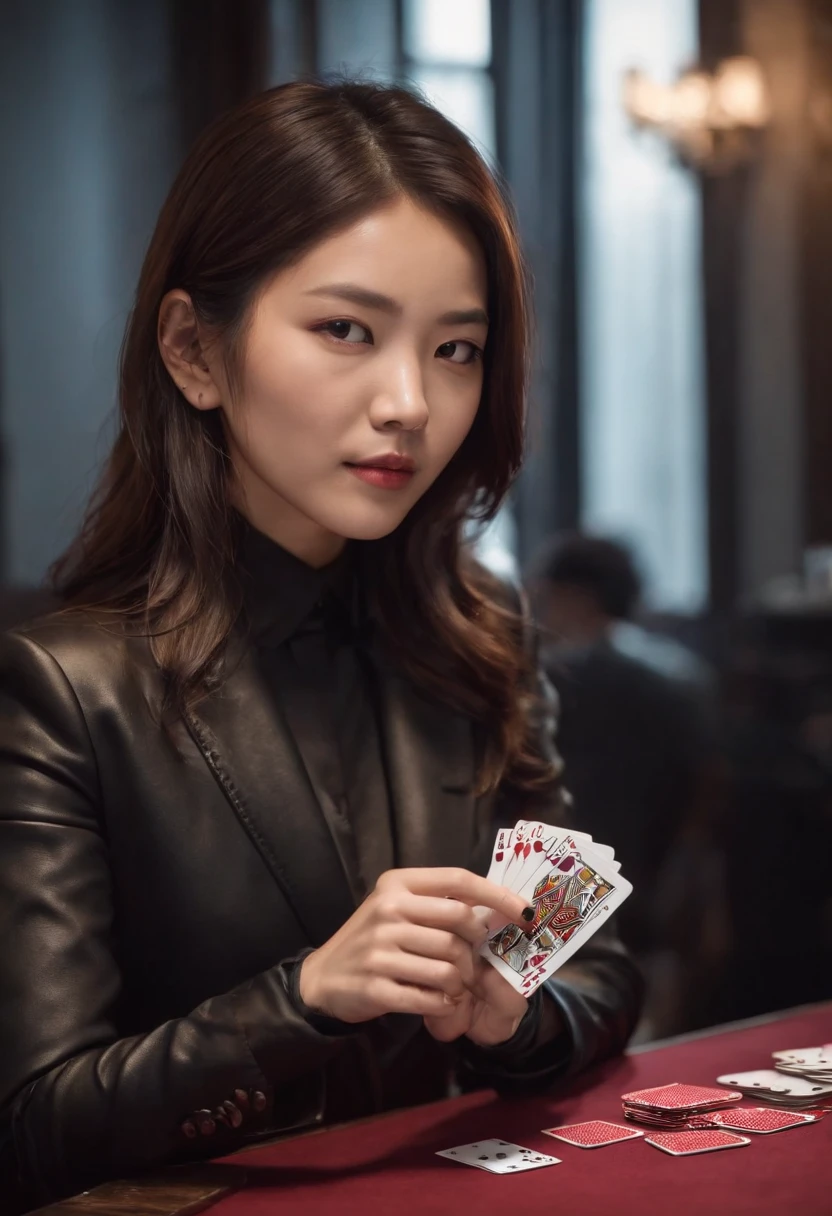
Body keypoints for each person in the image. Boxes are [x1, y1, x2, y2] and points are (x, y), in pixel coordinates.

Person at [0, 80, 643, 1211]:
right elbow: (32, 1126)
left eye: (456, 348)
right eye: (346, 329)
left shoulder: (477, 640)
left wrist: (516, 1014)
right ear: (194, 351)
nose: (410, 402)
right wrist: (303, 996)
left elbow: (592, 968)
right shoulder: (61, 690)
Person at [525, 533, 716, 1031]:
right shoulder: (681, 674)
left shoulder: (553, 679)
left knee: (563, 1026)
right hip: (660, 878)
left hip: (570, 883)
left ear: (572, 595)